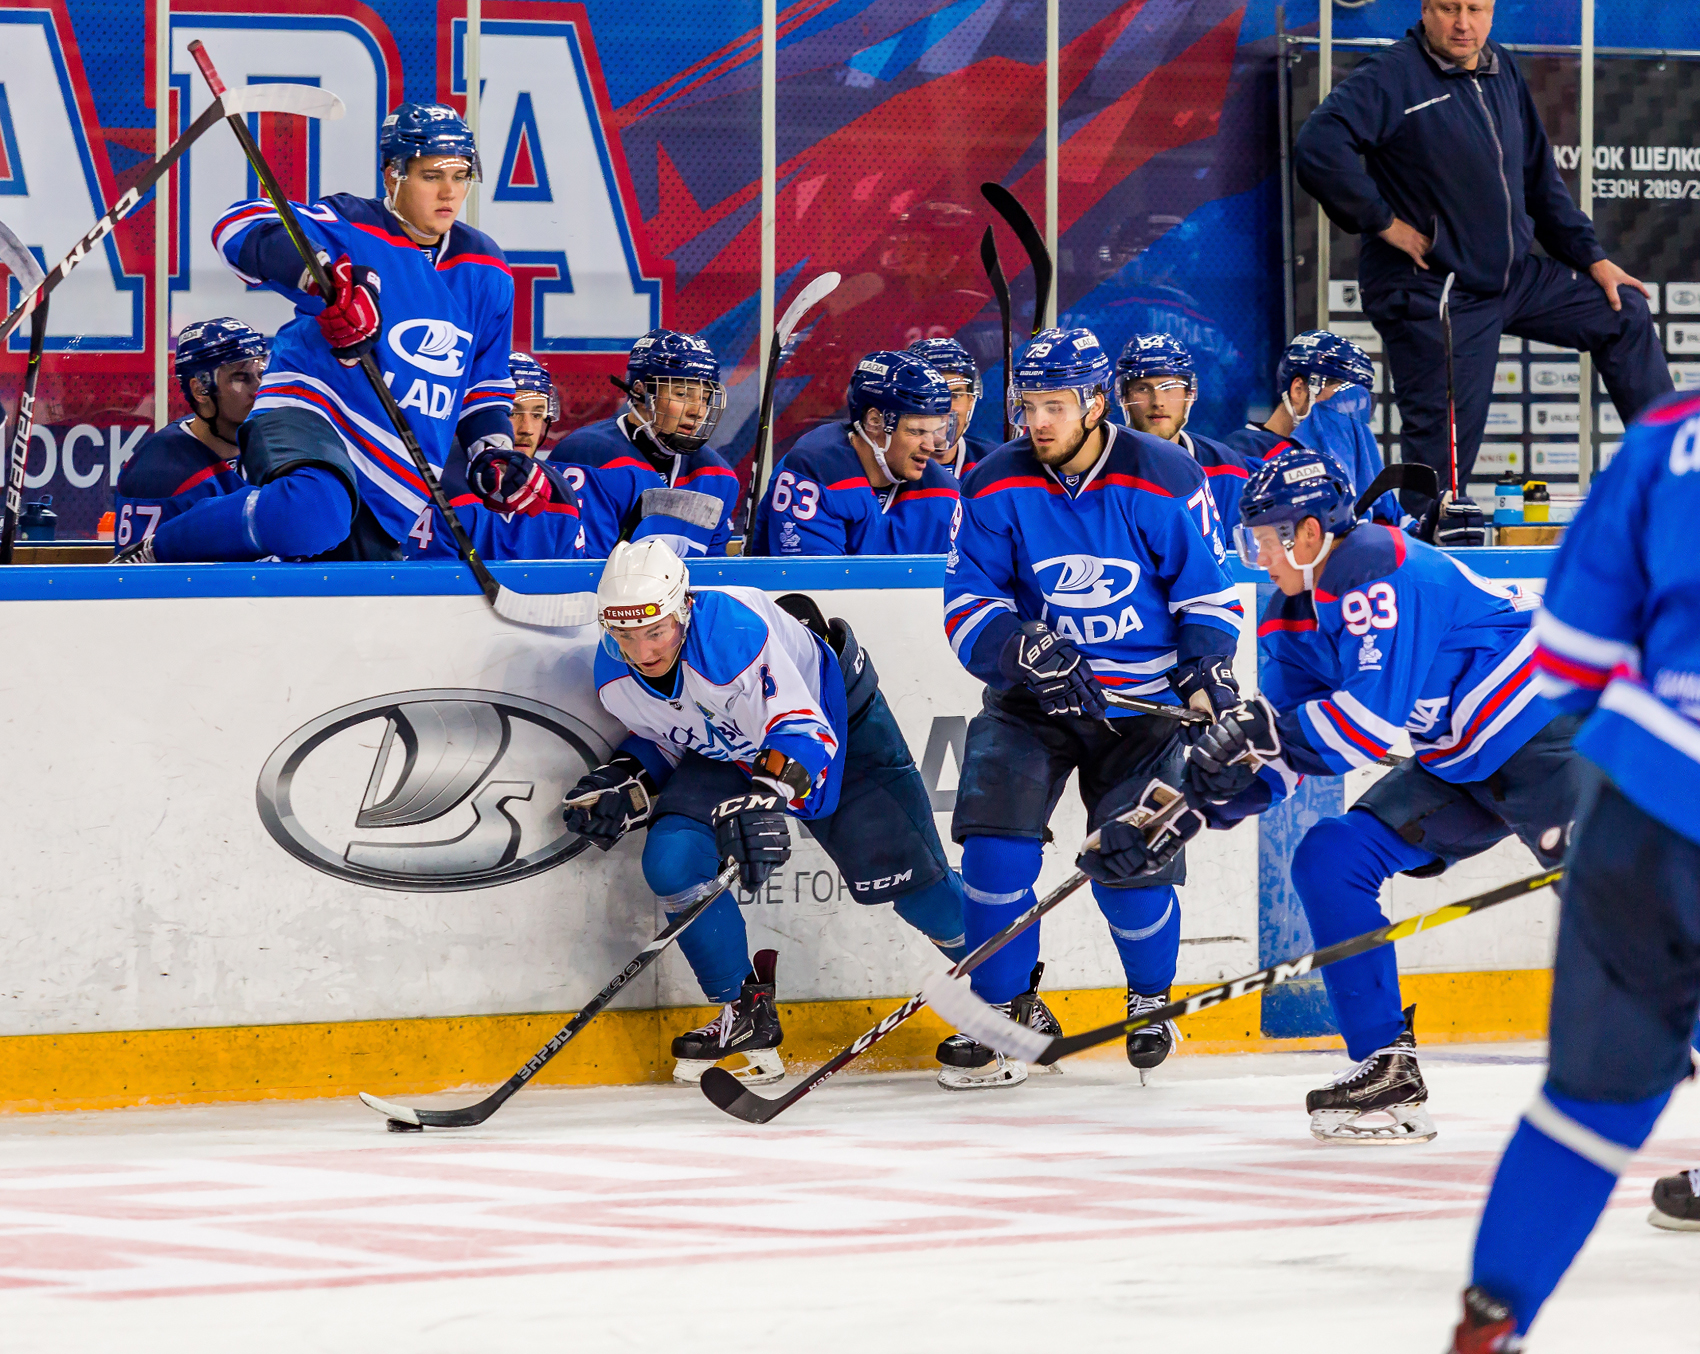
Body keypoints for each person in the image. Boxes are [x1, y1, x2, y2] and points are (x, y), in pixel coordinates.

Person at [1184, 446, 1583, 1145]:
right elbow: (1289, 755)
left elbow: (1363, 730)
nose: (1258, 557)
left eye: (1265, 538)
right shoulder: (1289, 616)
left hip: (1544, 729)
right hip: (1459, 760)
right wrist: (1207, 802)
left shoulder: (1373, 565)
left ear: (1308, 532)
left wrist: (1260, 733)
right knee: (1330, 857)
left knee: (1625, 908)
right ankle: (1385, 1065)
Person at [1445, 390, 1700, 1350]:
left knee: (1593, 1102)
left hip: (1648, 800)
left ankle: (1492, 1323)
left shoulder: (1671, 436)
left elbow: (1569, 657)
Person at [939, 326, 1243, 1090]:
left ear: (1096, 403)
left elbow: (1207, 595)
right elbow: (968, 601)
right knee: (994, 851)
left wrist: (1207, 670)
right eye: (1026, 405)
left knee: (1127, 864)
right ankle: (999, 1017)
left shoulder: (1166, 477)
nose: (1035, 422)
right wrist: (1023, 648)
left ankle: (1149, 1001)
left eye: (1053, 405)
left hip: (1142, 711)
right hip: (1032, 704)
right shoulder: (992, 482)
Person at [565, 539, 967, 1084]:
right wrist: (624, 782)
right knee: (673, 860)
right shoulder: (614, 675)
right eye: (626, 635)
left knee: (919, 893)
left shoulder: (731, 635)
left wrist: (764, 794)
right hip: (736, 753)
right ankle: (745, 1015)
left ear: (683, 608)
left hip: (837, 725)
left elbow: (805, 732)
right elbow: (675, 735)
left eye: (655, 631)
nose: (643, 651)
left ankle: (1010, 995)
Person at [1294, 0, 1671, 506]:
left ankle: (1675, 479)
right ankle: (1420, 551)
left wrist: (1593, 259)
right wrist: (1384, 222)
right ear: (1427, 9)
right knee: (1441, 466)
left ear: (1492, 11)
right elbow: (1319, 146)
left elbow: (1540, 179)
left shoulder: (1500, 67)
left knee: (1623, 310)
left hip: (1509, 279)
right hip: (1436, 289)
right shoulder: (1392, 74)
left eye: (1476, 8)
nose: (1463, 23)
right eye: (1450, 8)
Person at [141, 102, 522, 564]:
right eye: (430, 175)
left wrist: (492, 454)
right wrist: (316, 274)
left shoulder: (487, 269)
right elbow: (235, 226)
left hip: (398, 472)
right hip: (316, 408)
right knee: (309, 514)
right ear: (392, 176)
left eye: (460, 175)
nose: (449, 191)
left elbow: (484, 382)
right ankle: (154, 550)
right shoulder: (351, 224)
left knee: (337, 590)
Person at [750, 350, 961, 556]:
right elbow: (813, 586)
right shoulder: (816, 470)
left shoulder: (944, 492)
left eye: (935, 432)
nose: (930, 447)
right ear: (875, 422)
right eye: (916, 431)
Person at [551, 330, 739, 559]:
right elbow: (588, 571)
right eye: (682, 394)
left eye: (704, 398)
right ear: (640, 392)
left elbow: (715, 573)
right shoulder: (588, 457)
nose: (697, 411)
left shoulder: (718, 476)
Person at [1222, 331, 1410, 530]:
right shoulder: (1242, 455)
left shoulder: (1354, 460)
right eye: (1340, 401)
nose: (1349, 417)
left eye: (1358, 404)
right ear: (1299, 390)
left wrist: (1434, 521)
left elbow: (1397, 524)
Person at [112, 318, 266, 554]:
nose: (259, 389)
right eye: (240, 377)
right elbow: (141, 584)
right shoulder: (158, 476)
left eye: (261, 373)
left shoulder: (270, 441)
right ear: (199, 389)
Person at [436, 351, 585, 561]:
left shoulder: (560, 491)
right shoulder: (436, 478)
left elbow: (570, 585)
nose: (528, 430)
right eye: (513, 413)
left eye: (537, 415)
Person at [1115, 332, 1251, 533]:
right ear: (1123, 397)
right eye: (1143, 389)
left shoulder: (1226, 468)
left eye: (1169, 387)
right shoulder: (1101, 467)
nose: (1158, 401)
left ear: (1190, 395)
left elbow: (1238, 558)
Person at [906, 337, 998, 479]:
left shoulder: (994, 463)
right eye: (933, 395)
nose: (946, 407)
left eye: (955, 395)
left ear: (970, 400)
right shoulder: (890, 468)